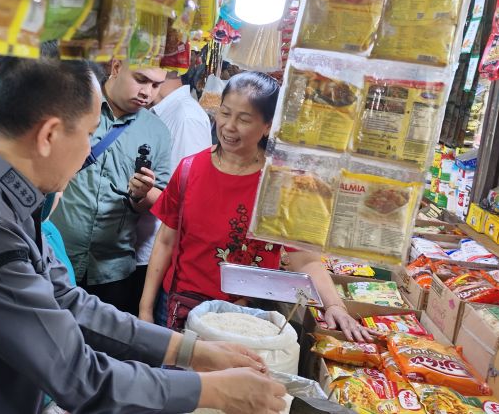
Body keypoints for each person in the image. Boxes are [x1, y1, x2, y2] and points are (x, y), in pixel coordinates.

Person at [0, 57, 287, 414]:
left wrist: (191, 351)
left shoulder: (2, 191)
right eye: (87, 133)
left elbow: (66, 301)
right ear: (48, 135)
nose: (89, 150)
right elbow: (77, 376)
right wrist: (211, 390)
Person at [138, 72, 374, 341]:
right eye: (225, 113)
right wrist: (145, 311)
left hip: (245, 317)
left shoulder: (284, 185)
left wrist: (335, 306)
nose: (228, 126)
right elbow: (166, 241)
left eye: (244, 119)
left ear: (267, 126)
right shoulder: (189, 169)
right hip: (177, 308)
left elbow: (304, 258)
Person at [50, 59, 172, 315]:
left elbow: (160, 200)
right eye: (140, 80)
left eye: (156, 85)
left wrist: (143, 193)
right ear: (116, 68)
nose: (147, 92)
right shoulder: (71, 106)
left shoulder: (157, 131)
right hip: (55, 258)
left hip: (113, 271)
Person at [133, 70, 212, 310]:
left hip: (154, 254)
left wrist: (143, 194)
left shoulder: (186, 117)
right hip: (139, 246)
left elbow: (188, 205)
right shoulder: (158, 111)